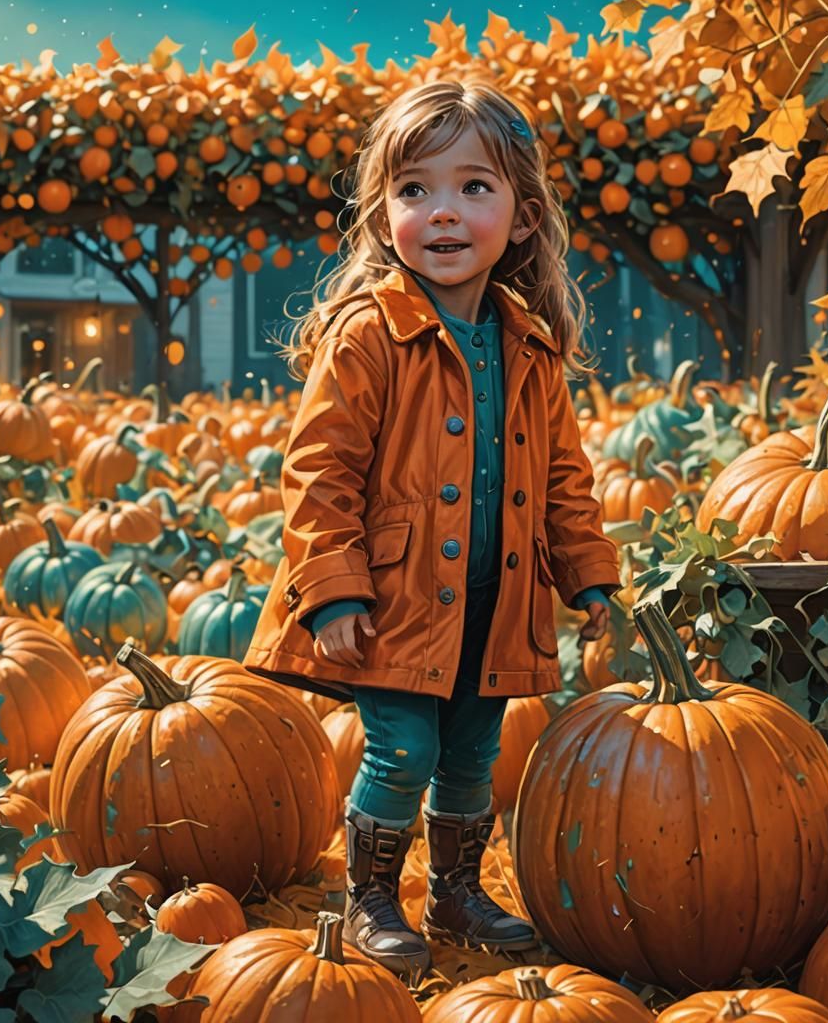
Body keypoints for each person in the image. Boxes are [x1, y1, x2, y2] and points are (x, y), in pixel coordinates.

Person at [243, 76, 620, 977]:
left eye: (472, 188)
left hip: (495, 596)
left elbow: (564, 475)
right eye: (414, 190)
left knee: (473, 753)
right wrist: (331, 588)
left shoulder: (529, 343)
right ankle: (371, 894)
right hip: (396, 599)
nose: (442, 212)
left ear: (523, 218)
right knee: (403, 746)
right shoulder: (367, 335)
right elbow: (319, 471)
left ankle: (454, 889)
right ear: (381, 218)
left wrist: (587, 570)